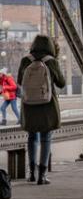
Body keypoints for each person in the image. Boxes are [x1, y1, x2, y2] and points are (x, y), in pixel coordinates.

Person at [18, 34, 65, 184]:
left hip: (29, 104)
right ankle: (42, 176)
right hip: (47, 104)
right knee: (46, 138)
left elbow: (20, 81)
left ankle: (31, 173)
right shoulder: (51, 61)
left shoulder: (26, 60)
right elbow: (61, 83)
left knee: (32, 137)